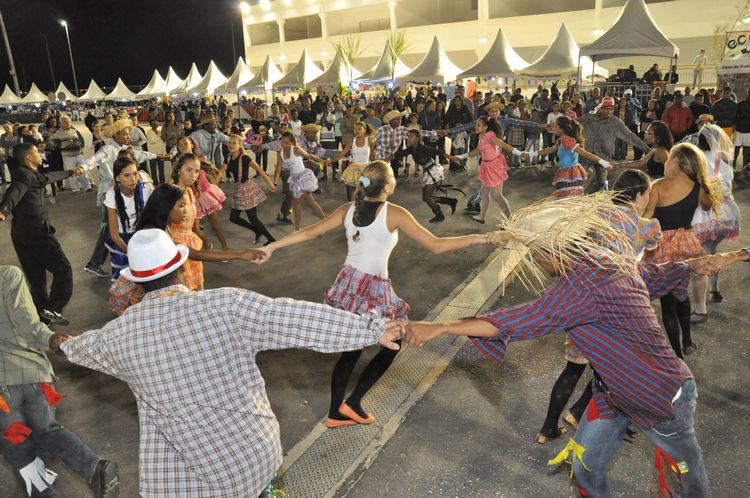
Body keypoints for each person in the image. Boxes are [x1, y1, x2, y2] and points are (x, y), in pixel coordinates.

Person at [401, 193, 724, 498]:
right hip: (614, 395)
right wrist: (689, 266)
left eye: (536, 253)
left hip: (659, 395)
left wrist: (442, 326)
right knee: (586, 465)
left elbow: (521, 319)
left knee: (689, 475)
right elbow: (651, 276)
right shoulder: (605, 259)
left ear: (553, 250)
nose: (537, 261)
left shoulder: (580, 286)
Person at [59, 228, 404, 497]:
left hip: (187, 480)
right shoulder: (226, 306)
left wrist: (51, 337)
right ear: (181, 265)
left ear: (136, 281)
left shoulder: (118, 337)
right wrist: (370, 329)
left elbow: (76, 347)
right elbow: (294, 318)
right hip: (253, 458)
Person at [258, 161, 488, 429]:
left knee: (352, 350)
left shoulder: (348, 209)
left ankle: (336, 411)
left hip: (348, 283)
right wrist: (483, 238)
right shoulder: (394, 212)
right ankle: (352, 402)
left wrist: (272, 247)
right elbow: (435, 245)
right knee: (393, 342)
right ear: (389, 186)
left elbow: (311, 232)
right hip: (373, 288)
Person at [536, 169, 663, 444]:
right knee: (610, 369)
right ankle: (581, 413)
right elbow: (651, 246)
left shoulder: (593, 217)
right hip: (616, 308)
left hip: (581, 302)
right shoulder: (645, 226)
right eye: (647, 194)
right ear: (640, 195)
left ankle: (549, 427)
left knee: (574, 368)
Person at [0, 265, 120, 498]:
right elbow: (25, 319)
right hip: (33, 376)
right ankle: (94, 467)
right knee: (47, 430)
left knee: (21, 457)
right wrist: (50, 338)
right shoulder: (7, 275)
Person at [644, 143, 722, 357]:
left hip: (662, 248)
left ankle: (677, 354)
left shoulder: (659, 186)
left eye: (669, 159)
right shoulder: (698, 187)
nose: (666, 162)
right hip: (686, 245)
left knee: (667, 304)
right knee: (681, 295)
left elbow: (648, 216)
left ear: (676, 162)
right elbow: (707, 206)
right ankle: (688, 341)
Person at [0, 143, 87, 325]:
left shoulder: (32, 175)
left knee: (37, 279)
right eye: (37, 152)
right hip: (37, 233)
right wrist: (4, 210)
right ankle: (53, 309)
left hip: (21, 233)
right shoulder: (24, 176)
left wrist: (71, 172)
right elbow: (13, 192)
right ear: (28, 158)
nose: (41, 154)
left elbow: (49, 177)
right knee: (63, 269)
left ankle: (42, 318)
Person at [82, 119, 161, 279]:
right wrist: (83, 167)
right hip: (110, 193)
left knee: (122, 225)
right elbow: (94, 160)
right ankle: (95, 262)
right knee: (108, 229)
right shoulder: (108, 149)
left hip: (126, 190)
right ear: (116, 134)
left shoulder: (126, 149)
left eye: (128, 133)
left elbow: (141, 155)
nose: (128, 136)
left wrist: (158, 155)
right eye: (125, 134)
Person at [690, 124, 741, 321]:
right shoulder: (725, 160)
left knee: (701, 260)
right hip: (728, 211)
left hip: (708, 212)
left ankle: (701, 309)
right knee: (711, 251)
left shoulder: (698, 161)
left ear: (699, 141)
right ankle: (714, 291)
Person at [577, 96, 649, 191]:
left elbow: (630, 136)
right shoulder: (588, 118)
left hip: (603, 157)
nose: (609, 112)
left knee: (601, 184)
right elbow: (572, 124)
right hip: (585, 155)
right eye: (607, 109)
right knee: (580, 182)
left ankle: (597, 203)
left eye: (611, 109)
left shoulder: (615, 123)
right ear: (601, 108)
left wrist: (646, 148)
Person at [389, 129, 461, 222]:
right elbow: (398, 155)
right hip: (428, 171)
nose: (409, 139)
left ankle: (440, 215)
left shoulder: (422, 148)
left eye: (411, 136)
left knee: (427, 197)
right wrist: (383, 160)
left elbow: (439, 151)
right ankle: (451, 201)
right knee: (426, 197)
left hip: (434, 171)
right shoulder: (411, 149)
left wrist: (451, 157)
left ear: (417, 138)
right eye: (408, 137)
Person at [531, 116, 612, 197]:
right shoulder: (562, 140)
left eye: (555, 126)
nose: (553, 128)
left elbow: (585, 153)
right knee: (566, 199)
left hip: (570, 175)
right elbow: (550, 149)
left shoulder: (567, 141)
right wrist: (530, 154)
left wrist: (604, 163)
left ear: (562, 129)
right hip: (566, 173)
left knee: (568, 199)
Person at [104, 157, 153, 281]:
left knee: (145, 273)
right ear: (117, 178)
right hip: (122, 239)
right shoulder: (111, 195)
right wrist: (130, 252)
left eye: (135, 173)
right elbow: (114, 234)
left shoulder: (146, 189)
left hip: (141, 235)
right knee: (123, 273)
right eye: (127, 175)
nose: (133, 179)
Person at [168, 153, 211, 290]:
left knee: (196, 290)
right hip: (175, 247)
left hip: (191, 246)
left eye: (197, 171)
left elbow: (193, 224)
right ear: (179, 169)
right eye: (189, 170)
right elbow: (159, 224)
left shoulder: (190, 192)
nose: (193, 175)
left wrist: (202, 238)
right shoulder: (170, 193)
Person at [225, 134, 276, 246]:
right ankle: (257, 230)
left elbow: (260, 170)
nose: (231, 145)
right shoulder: (229, 157)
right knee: (234, 218)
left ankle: (271, 239)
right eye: (229, 142)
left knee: (253, 218)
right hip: (238, 189)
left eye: (234, 143)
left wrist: (270, 184)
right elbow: (221, 170)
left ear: (240, 145)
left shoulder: (244, 158)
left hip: (247, 189)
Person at [467, 117, 515, 223]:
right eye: (476, 124)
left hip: (494, 167)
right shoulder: (481, 136)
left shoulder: (490, 136)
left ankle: (511, 220)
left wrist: (519, 153)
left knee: (497, 195)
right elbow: (478, 150)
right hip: (486, 167)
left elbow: (503, 144)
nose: (476, 127)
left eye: (478, 125)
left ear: (485, 127)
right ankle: (481, 217)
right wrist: (462, 156)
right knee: (484, 193)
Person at [277, 132, 327, 231]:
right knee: (311, 202)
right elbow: (278, 167)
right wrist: (274, 182)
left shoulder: (296, 149)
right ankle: (325, 221)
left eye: (287, 143)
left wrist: (321, 160)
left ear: (292, 143)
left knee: (296, 205)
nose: (284, 145)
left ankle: (297, 229)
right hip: (295, 179)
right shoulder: (281, 153)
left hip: (304, 178)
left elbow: (309, 155)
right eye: (282, 142)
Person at [374, 110, 438, 177]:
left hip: (388, 160)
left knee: (383, 180)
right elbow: (372, 143)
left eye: (400, 119)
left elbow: (418, 132)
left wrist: (435, 133)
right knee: (374, 177)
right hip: (378, 158)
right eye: (397, 119)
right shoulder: (382, 130)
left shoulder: (401, 129)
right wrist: (371, 158)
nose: (400, 121)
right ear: (391, 120)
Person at [330, 121, 375, 200]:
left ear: (364, 130)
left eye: (359, 129)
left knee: (364, 196)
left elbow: (372, 155)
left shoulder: (369, 141)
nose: (357, 131)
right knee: (350, 198)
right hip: (352, 171)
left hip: (365, 171)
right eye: (355, 129)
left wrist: (375, 167)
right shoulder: (351, 142)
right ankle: (351, 210)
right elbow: (342, 154)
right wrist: (330, 161)